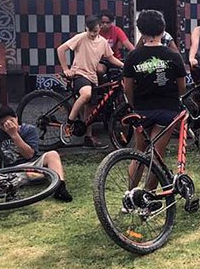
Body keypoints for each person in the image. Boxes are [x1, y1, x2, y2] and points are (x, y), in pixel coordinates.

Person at [123, 10, 187, 160]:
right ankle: (151, 185)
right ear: (163, 29)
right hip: (167, 109)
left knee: (139, 154)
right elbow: (182, 87)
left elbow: (128, 88)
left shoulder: (133, 56)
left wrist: (134, 105)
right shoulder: (174, 56)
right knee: (157, 155)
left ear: (140, 30)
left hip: (142, 109)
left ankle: (132, 185)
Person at [57, 15, 123, 148]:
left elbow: (111, 58)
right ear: (86, 28)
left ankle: (88, 137)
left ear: (99, 28)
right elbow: (61, 49)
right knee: (86, 94)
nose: (93, 34)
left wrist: (124, 65)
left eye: (96, 31)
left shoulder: (103, 42)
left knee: (92, 110)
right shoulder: (81, 37)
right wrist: (65, 69)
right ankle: (69, 124)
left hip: (93, 77)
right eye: (91, 31)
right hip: (79, 74)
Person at [0, 106, 72, 202]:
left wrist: (14, 135)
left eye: (11, 120)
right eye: (3, 124)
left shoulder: (29, 130)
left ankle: (60, 187)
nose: (8, 125)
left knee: (52, 154)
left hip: (33, 164)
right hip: (13, 170)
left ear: (16, 118)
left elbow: (29, 155)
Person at [97, 11, 135, 76]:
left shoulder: (116, 30)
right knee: (100, 70)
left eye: (107, 22)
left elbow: (127, 44)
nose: (105, 24)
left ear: (112, 22)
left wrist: (137, 55)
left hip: (115, 59)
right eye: (103, 22)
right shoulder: (96, 31)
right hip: (100, 60)